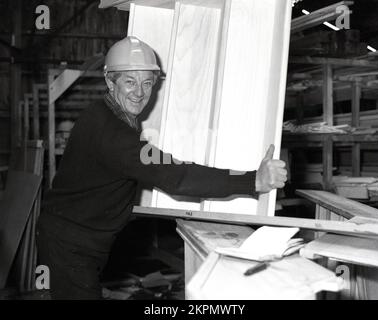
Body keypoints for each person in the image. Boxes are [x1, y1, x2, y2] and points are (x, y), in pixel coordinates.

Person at [36, 36, 287, 300]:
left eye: (147, 83)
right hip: (70, 246)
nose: (140, 92)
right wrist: (252, 181)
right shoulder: (114, 135)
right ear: (110, 82)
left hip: (71, 238)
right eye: (130, 82)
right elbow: (177, 177)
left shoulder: (103, 113)